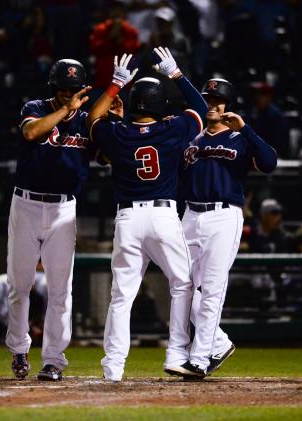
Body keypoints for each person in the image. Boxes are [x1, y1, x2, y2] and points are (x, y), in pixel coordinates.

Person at [87, 49, 207, 381]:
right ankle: (176, 353)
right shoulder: (173, 129)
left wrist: (114, 86)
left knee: (121, 296)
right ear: (158, 105)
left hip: (127, 220)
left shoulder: (118, 133)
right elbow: (201, 109)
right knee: (182, 284)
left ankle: (113, 367)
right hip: (163, 216)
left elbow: (92, 119)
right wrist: (177, 74)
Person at [181, 78, 277, 376]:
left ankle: (199, 357)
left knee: (211, 288)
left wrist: (244, 128)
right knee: (180, 285)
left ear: (227, 105)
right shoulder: (193, 139)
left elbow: (270, 162)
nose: (212, 104)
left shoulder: (239, 138)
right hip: (189, 215)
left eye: (218, 100)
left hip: (224, 215)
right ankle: (219, 342)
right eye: (208, 99)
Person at [7, 58, 94, 382]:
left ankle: (54, 360)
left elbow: (107, 154)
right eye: (61, 88)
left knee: (61, 290)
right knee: (19, 286)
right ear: (52, 87)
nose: (66, 94)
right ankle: (18, 348)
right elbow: (31, 132)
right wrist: (64, 110)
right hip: (26, 204)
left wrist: (113, 122)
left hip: (63, 209)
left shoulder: (88, 121)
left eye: (72, 89)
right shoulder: (36, 106)